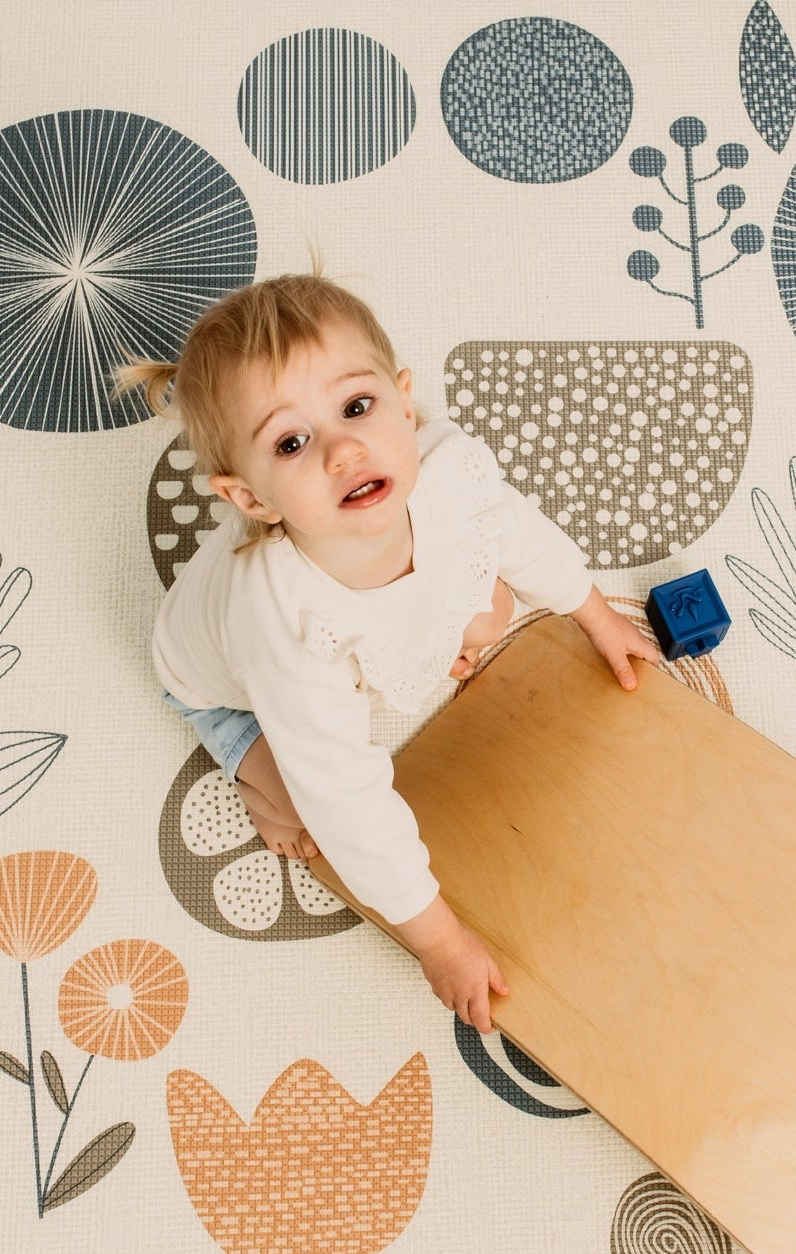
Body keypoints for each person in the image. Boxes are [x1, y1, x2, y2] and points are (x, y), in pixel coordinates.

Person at [114, 272, 661, 1035]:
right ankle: (247, 766)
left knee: (495, 605)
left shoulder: (443, 472)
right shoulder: (288, 628)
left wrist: (596, 616)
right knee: (310, 807)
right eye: (292, 442)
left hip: (377, 619)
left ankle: (411, 640)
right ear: (250, 499)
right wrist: (438, 941)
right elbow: (352, 803)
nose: (343, 450)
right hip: (226, 688)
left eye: (357, 407)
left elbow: (518, 534)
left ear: (405, 401)